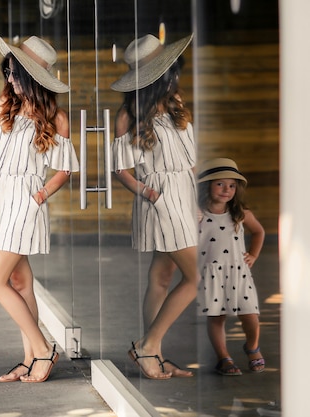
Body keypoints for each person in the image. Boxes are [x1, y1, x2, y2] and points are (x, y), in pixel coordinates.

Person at [0, 35, 78, 383]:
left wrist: (39, 196)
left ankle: (43, 348)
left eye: (15, 73)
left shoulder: (57, 118)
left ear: (34, 77)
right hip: (1, 198)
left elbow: (64, 170)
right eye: (7, 71)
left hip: (25, 199)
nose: (9, 80)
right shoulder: (5, 108)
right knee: (20, 281)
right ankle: (29, 360)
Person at [111, 33, 197, 379]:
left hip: (185, 194)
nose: (174, 74)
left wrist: (199, 200)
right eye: (168, 69)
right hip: (158, 197)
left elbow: (191, 160)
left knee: (163, 276)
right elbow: (121, 170)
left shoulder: (176, 103)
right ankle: (148, 346)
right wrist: (153, 197)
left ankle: (154, 354)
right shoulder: (128, 115)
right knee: (198, 276)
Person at [196, 158, 266, 376]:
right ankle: (223, 357)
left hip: (239, 273)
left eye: (232, 185)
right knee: (216, 318)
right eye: (220, 184)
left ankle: (252, 347)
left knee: (251, 316)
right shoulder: (198, 214)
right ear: (207, 186)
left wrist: (253, 254)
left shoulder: (239, 213)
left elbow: (259, 231)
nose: (227, 189)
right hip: (211, 275)